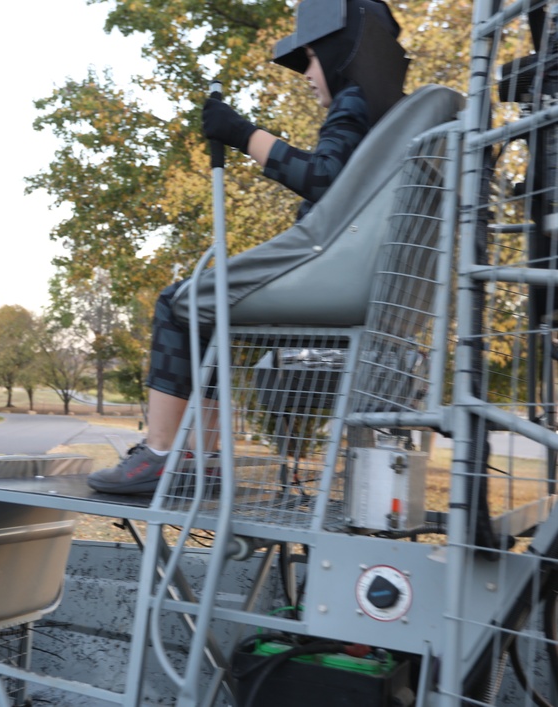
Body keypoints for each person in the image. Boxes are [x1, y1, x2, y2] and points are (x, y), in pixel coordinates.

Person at [88, 0, 408, 494]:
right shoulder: (392, 116)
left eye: (311, 60)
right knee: (212, 313)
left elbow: (322, 178)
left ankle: (160, 454)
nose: (306, 75)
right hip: (366, 280)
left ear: (341, 52)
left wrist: (240, 132)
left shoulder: (355, 101)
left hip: (329, 268)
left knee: (179, 303)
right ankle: (203, 459)